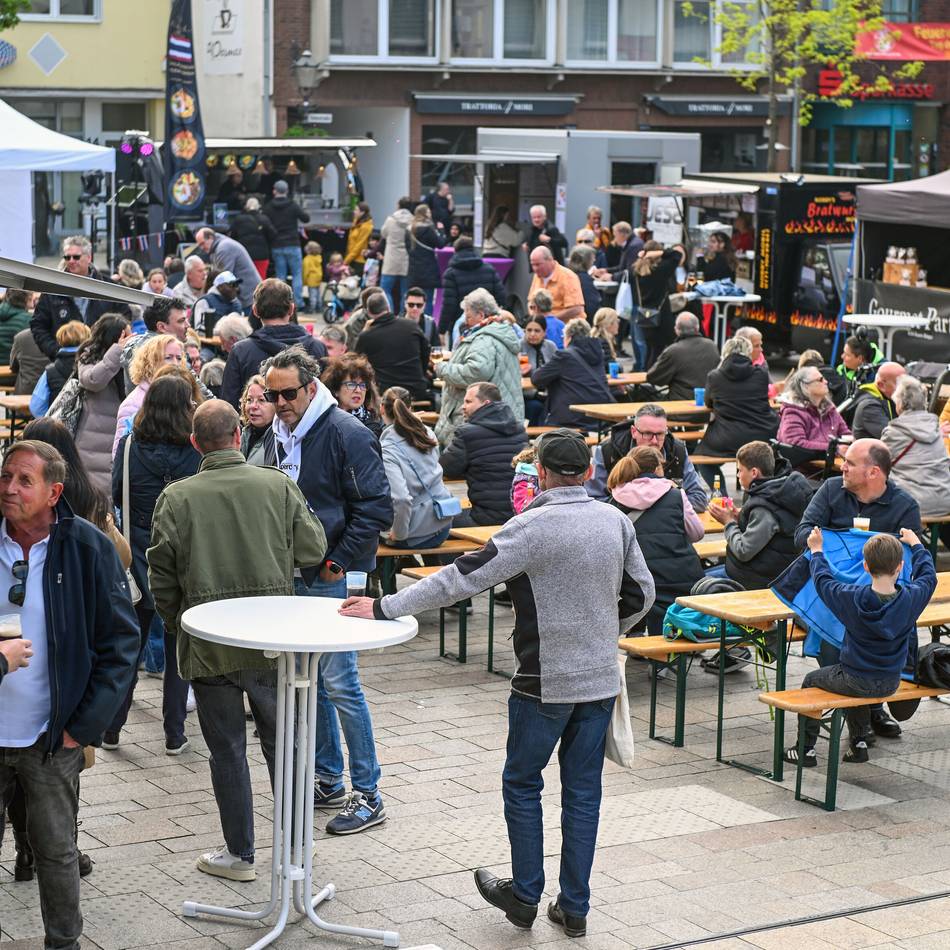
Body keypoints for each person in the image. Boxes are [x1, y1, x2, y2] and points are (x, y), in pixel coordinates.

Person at [339, 429, 655, 937]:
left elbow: (459, 577)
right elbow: (642, 593)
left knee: (522, 783)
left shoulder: (531, 526)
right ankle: (575, 906)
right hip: (597, 681)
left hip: (543, 681)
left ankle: (526, 893)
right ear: (590, 472)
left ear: (545, 474)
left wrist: (383, 605)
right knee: (583, 793)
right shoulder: (614, 520)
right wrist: (603, 633)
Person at [148, 399, 327, 880]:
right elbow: (313, 548)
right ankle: (295, 851)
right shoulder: (277, 485)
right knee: (282, 745)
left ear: (194, 443)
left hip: (209, 642)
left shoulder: (177, 498)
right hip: (271, 639)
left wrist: (177, 621)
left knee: (226, 750)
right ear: (237, 437)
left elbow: (160, 576)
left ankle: (240, 854)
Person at [0, 439, 139, 949]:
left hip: (51, 734)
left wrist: (82, 727)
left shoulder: (86, 547)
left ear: (55, 492)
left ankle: (64, 943)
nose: (9, 488)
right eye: (5, 476)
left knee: (57, 852)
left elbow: (122, 642)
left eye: (24, 480)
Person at [260, 346, 393, 834]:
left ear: (311, 387)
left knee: (340, 682)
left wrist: (337, 562)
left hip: (331, 574)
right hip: (297, 574)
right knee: (310, 680)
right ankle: (329, 778)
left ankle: (369, 793)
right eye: (273, 395)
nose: (280, 402)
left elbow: (377, 508)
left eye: (288, 393)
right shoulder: (280, 431)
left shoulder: (344, 431)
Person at [788, 528, 934, 767]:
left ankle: (804, 749)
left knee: (811, 680)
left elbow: (823, 581)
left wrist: (816, 551)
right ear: (900, 566)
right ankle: (859, 743)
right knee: (853, 687)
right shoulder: (911, 598)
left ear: (865, 566)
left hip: (856, 678)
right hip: (890, 680)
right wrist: (916, 543)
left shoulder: (850, 597)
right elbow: (928, 576)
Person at [112, 375, 202, 754]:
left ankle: (111, 728)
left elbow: (116, 492)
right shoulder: (196, 451)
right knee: (178, 644)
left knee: (130, 645)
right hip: (183, 554)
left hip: (139, 552)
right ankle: (174, 733)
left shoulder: (131, 445)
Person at [608, 445, 704, 635]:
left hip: (638, 584)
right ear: (658, 468)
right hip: (682, 577)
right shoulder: (676, 494)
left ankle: (636, 631)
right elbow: (697, 533)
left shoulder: (614, 499)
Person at [708, 440, 813, 590]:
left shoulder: (765, 505)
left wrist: (728, 522)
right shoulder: (778, 490)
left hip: (757, 579)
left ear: (754, 472)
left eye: (740, 470)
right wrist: (740, 518)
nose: (737, 475)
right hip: (770, 571)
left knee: (697, 583)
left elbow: (743, 550)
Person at [434, 288, 524, 447]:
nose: (465, 322)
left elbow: (476, 373)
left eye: (468, 316)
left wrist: (442, 369)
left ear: (481, 315)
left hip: (480, 418)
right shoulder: (500, 332)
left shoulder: (483, 338)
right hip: (500, 416)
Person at [220, 279, 327, 409]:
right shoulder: (317, 347)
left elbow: (228, 404)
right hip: (308, 426)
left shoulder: (241, 351)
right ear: (291, 309)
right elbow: (325, 399)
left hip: (254, 427)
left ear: (255, 311)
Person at [586, 403, 708, 512]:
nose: (654, 441)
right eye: (648, 433)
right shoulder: (608, 451)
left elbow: (699, 499)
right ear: (634, 431)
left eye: (660, 434)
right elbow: (593, 500)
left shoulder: (677, 450)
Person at [440, 382, 529, 527]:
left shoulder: (467, 433)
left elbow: (447, 468)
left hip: (485, 517)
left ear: (485, 403)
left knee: (438, 522)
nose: (463, 406)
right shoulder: (519, 429)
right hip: (518, 515)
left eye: (468, 401)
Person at [30, 236, 132, 359]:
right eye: (67, 257)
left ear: (89, 257)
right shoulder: (53, 289)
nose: (71, 261)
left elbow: (125, 318)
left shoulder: (108, 287)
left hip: (102, 359)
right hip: (65, 360)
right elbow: (38, 325)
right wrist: (55, 351)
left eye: (76, 257)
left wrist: (110, 348)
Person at [379, 386, 453, 549]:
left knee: (369, 536)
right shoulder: (427, 433)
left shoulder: (387, 450)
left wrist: (398, 535)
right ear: (410, 408)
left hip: (416, 531)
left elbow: (401, 499)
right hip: (443, 521)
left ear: (382, 408)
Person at [696, 335, 778, 472]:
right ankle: (758, 489)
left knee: (703, 460)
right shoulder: (761, 374)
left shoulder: (715, 376)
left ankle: (721, 492)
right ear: (748, 352)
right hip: (762, 435)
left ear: (725, 353)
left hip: (728, 438)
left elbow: (708, 403)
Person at [73, 313, 131, 492]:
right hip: (93, 441)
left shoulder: (129, 358)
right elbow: (93, 381)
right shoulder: (89, 355)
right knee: (95, 496)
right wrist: (116, 352)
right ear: (115, 338)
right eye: (126, 336)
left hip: (118, 435)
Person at [882, 376, 950, 518]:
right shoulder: (936, 428)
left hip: (912, 504)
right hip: (944, 501)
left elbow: (879, 464)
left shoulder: (894, 432)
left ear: (900, 403)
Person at [530, 319, 614, 430]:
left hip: (571, 417)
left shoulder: (564, 356)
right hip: (598, 414)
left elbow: (536, 379)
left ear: (568, 337)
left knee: (539, 414)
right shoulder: (597, 352)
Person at [113, 334, 184, 457]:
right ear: (151, 361)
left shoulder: (184, 395)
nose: (175, 364)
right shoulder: (133, 403)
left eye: (178, 358)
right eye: (168, 357)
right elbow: (120, 455)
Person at [354, 292, 430, 400]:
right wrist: (420, 376)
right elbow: (426, 353)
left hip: (385, 393)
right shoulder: (411, 326)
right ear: (388, 307)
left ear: (369, 313)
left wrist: (364, 332)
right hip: (416, 390)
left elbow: (356, 362)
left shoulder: (366, 336)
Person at [631, 242, 686, 369]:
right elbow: (677, 254)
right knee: (658, 350)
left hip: (645, 315)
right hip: (661, 316)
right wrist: (660, 252)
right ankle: (650, 379)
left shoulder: (637, 270)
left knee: (651, 349)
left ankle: (646, 379)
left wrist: (645, 255)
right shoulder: (660, 270)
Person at [777, 367, 851, 460]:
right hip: (806, 470)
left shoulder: (829, 408)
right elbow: (795, 444)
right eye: (820, 379)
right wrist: (833, 449)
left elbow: (845, 433)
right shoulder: (793, 412)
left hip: (828, 465)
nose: (826, 382)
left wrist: (853, 444)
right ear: (806, 386)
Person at [439, 236, 506, 337]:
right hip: (488, 324)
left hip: (462, 326)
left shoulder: (451, 274)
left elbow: (449, 305)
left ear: (455, 251)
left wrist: (441, 330)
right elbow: (501, 297)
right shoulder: (489, 269)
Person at [644, 312, 720, 401]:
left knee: (642, 393)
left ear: (677, 330)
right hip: (708, 402)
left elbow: (653, 378)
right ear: (697, 327)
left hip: (680, 402)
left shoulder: (673, 350)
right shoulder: (712, 345)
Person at [120, 296, 191, 388]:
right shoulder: (157, 350)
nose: (188, 325)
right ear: (161, 327)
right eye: (181, 321)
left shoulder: (138, 345)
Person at [262, 179, 310, 311]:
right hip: (293, 243)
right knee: (296, 274)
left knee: (280, 275)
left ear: (274, 191)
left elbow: (264, 222)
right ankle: (298, 303)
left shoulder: (268, 207)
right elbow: (306, 218)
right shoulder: (293, 205)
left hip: (277, 245)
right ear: (287, 191)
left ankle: (281, 302)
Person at [31, 321, 90, 417]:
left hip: (58, 427)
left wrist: (51, 421)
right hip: (89, 427)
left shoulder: (50, 372)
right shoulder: (95, 367)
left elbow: (37, 407)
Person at [194, 228, 260, 312]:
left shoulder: (224, 248)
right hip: (247, 296)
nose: (201, 248)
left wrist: (206, 298)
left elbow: (222, 280)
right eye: (199, 245)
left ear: (211, 237)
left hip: (248, 298)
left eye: (202, 243)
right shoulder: (218, 247)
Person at [321, 353, 384, 440]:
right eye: (351, 385)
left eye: (362, 385)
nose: (358, 390)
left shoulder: (372, 425)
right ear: (336, 390)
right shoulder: (322, 419)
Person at [405, 204, 445, 316]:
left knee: (413, 299)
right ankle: (426, 325)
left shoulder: (409, 230)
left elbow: (408, 249)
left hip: (413, 270)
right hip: (428, 269)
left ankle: (413, 321)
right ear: (426, 214)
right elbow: (440, 244)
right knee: (427, 299)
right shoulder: (428, 229)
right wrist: (441, 231)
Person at [527, 247, 584, 322]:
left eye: (538, 264)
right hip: (541, 326)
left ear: (550, 260)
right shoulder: (537, 276)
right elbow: (530, 302)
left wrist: (549, 319)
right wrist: (534, 317)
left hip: (566, 328)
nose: (535, 268)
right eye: (533, 265)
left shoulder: (568, 277)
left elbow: (577, 309)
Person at [851, 362, 905, 441]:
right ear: (881, 385)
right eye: (900, 384)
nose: (905, 388)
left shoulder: (889, 397)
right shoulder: (869, 407)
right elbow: (894, 437)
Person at [379, 197, 415, 313]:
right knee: (405, 291)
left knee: (385, 290)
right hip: (406, 260)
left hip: (391, 259)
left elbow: (383, 234)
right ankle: (403, 315)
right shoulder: (413, 221)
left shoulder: (390, 220)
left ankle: (389, 314)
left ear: (398, 205)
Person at [230, 196, 276, 280]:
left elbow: (232, 237)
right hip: (261, 255)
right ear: (258, 207)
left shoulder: (239, 219)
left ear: (246, 207)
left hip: (244, 254)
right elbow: (273, 235)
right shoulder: (264, 219)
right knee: (260, 279)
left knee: (245, 279)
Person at [192, 271, 244, 340]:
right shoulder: (205, 301)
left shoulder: (237, 304)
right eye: (232, 285)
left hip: (231, 346)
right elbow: (198, 330)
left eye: (237, 285)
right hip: (207, 346)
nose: (236, 289)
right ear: (220, 287)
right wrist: (224, 331)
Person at [238, 374, 275, 465]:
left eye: (261, 400)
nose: (253, 406)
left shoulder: (282, 441)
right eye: (249, 400)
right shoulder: (243, 435)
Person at [11, 321, 49, 397]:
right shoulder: (61, 336)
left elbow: (13, 366)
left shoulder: (20, 337)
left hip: (26, 391)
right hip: (52, 391)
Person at [567, 245, 602, 321]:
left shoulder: (567, 275)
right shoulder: (585, 280)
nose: (594, 260)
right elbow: (592, 306)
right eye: (592, 258)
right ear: (586, 260)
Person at [0, 289, 33, 365]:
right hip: (11, 371)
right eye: (30, 299)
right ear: (26, 299)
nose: (32, 305)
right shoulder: (28, 320)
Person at [344, 202, 373, 275]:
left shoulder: (366, 226)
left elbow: (359, 245)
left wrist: (347, 260)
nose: (354, 211)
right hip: (351, 257)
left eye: (356, 210)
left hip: (359, 260)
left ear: (362, 212)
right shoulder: (356, 221)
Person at [302, 240, 324, 313]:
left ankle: (312, 308)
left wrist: (304, 281)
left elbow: (306, 271)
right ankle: (320, 308)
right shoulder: (319, 258)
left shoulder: (307, 259)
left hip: (311, 279)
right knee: (318, 294)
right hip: (318, 278)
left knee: (312, 295)